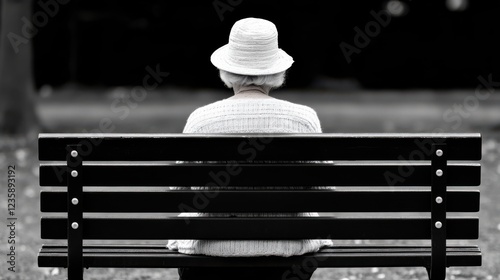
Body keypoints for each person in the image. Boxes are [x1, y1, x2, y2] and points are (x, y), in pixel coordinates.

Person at [167, 17, 333, 280]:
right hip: (288, 255)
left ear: (227, 70)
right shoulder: (303, 119)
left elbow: (178, 188)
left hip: (211, 254)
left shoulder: (202, 119)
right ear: (276, 72)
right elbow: (325, 188)